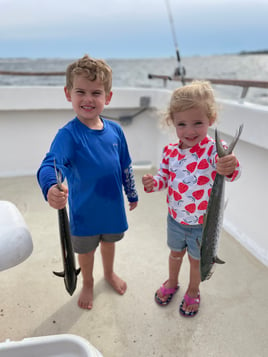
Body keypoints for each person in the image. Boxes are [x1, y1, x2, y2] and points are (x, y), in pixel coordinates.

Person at [37, 54, 138, 310]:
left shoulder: (115, 130)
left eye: (96, 92)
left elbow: (125, 165)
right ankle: (89, 283)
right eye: (80, 91)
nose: (88, 99)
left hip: (113, 208)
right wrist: (50, 186)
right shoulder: (68, 135)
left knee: (109, 243)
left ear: (108, 97)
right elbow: (50, 165)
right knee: (86, 251)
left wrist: (132, 193)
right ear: (68, 93)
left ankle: (109, 273)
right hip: (84, 213)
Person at [142, 80, 241, 317]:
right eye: (182, 124)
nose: (190, 131)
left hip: (202, 226)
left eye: (198, 123)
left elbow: (233, 174)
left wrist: (230, 165)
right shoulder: (169, 152)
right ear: (172, 123)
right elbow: (164, 179)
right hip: (175, 219)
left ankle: (194, 290)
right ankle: (172, 281)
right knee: (175, 254)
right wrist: (152, 183)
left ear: (211, 119)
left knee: (196, 262)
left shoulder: (214, 149)